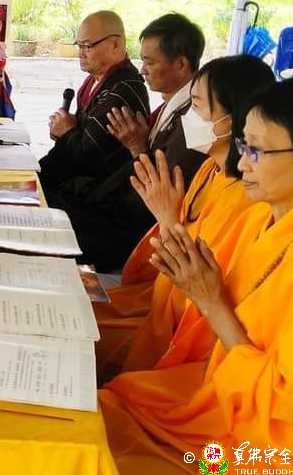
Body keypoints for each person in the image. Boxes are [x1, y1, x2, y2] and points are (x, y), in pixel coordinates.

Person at [99, 77, 293, 475]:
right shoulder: (265, 221)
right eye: (242, 145)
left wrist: (211, 303)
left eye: (258, 151)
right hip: (219, 406)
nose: (243, 163)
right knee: (107, 406)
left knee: (105, 465)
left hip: (272, 459)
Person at [92, 55, 275, 381]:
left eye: (197, 106)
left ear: (232, 119)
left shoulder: (247, 201)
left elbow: (197, 284)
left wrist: (167, 219)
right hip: (152, 301)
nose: (189, 117)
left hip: (180, 329)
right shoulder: (210, 170)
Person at [56, 13, 209, 272]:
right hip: (119, 207)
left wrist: (138, 148)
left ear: (181, 64)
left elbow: (158, 194)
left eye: (150, 62)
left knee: (54, 221)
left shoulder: (194, 120)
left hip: (133, 231)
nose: (142, 70)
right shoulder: (170, 107)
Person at [37, 11, 149, 204]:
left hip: (100, 196)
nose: (80, 53)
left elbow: (87, 157)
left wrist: (67, 131)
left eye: (87, 46)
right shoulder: (95, 80)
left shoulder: (123, 90)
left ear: (115, 44)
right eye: (79, 45)